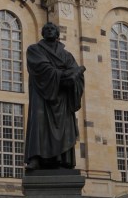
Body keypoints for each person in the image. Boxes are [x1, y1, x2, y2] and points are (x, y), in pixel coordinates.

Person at [24, 22, 86, 171]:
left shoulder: (66, 55)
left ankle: (61, 160)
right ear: (43, 33)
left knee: (64, 127)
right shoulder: (34, 49)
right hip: (42, 94)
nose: (50, 31)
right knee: (39, 123)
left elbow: (76, 75)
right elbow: (41, 68)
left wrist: (74, 79)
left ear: (58, 34)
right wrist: (64, 75)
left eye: (53, 29)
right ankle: (36, 159)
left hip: (62, 97)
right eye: (47, 29)